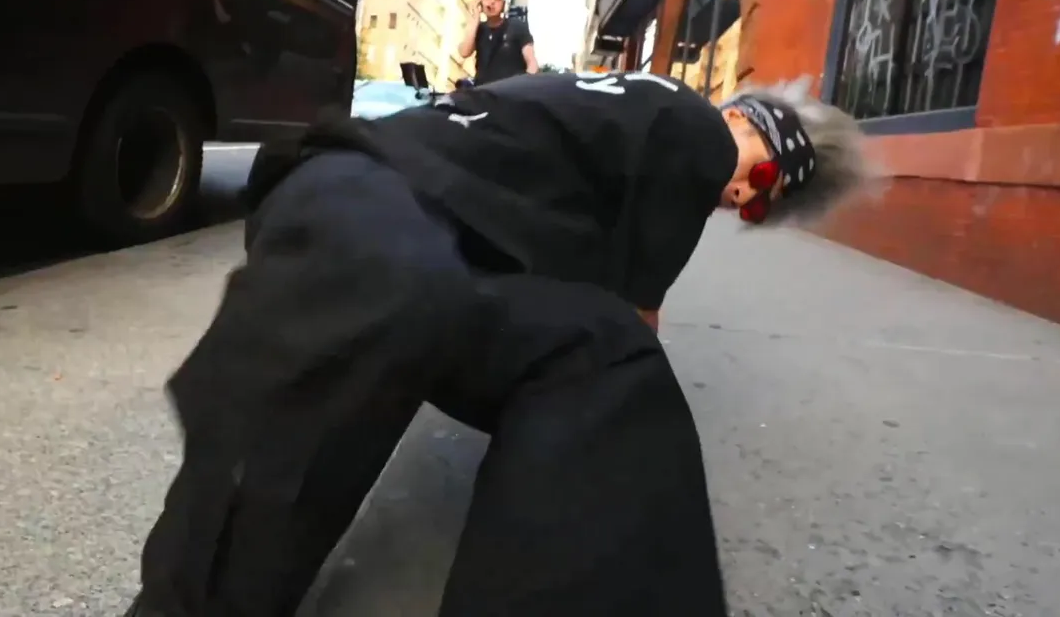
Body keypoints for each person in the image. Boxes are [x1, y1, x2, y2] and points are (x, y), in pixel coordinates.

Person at [126, 71, 872, 617]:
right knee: (399, 286)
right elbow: (641, 309)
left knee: (607, 352)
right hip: (364, 183)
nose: (739, 198)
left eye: (756, 209)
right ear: (743, 123)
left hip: (436, 245)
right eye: (760, 179)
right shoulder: (695, 129)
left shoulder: (628, 129)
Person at [458, 0, 538, 85]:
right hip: (483, 89)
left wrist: (525, 85)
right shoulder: (478, 29)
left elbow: (532, 63)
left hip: (509, 89)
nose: (492, 2)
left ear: (503, 4)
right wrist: (475, 19)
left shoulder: (517, 26)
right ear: (480, 3)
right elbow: (464, 52)